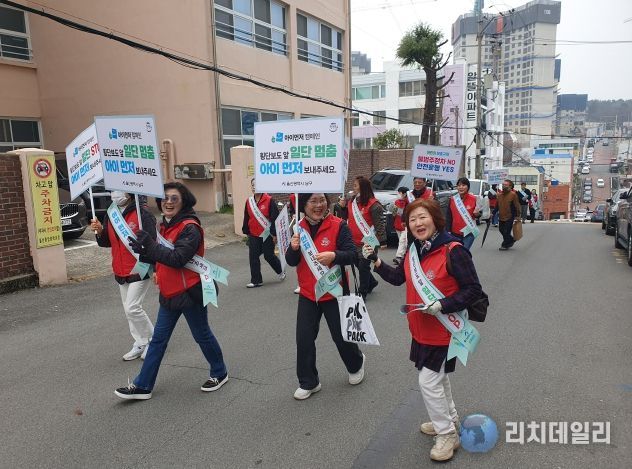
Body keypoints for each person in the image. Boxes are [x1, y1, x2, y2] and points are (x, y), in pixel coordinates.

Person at [362, 198, 482, 462]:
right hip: (420, 330)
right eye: (412, 219)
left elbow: (473, 290)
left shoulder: (454, 250)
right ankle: (449, 419)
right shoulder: (414, 249)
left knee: (428, 382)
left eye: (423, 217)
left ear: (435, 219)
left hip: (445, 331)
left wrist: (442, 304)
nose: (418, 223)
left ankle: (447, 434)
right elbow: (399, 278)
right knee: (439, 378)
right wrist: (376, 261)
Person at [114, 182, 228, 400]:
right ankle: (143, 385)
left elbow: (178, 258)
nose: (168, 202)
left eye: (174, 198)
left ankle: (220, 372)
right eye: (164, 198)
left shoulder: (190, 227)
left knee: (202, 335)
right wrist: (144, 252)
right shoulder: (163, 226)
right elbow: (159, 257)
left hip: (190, 292)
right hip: (169, 292)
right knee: (158, 340)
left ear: (183, 201)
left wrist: (151, 246)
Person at [285, 193, 365, 400]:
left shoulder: (339, 225)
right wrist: (293, 248)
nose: (319, 205)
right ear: (303, 205)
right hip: (308, 294)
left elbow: (353, 254)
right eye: (313, 201)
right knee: (304, 339)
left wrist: (334, 256)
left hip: (334, 291)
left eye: (322, 200)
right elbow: (291, 261)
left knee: (341, 337)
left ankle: (356, 363)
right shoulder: (298, 228)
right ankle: (309, 382)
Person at [90, 191, 156, 361]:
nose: (115, 193)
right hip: (120, 268)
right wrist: (100, 231)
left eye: (118, 189)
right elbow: (106, 242)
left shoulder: (142, 213)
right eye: (112, 190)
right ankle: (140, 342)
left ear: (129, 192)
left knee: (133, 307)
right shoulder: (111, 212)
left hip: (140, 267)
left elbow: (153, 243)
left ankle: (153, 342)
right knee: (128, 310)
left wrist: (156, 268)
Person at [347, 176, 386, 299]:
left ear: (363, 188)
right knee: (358, 264)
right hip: (353, 240)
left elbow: (379, 224)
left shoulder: (374, 205)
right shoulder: (352, 202)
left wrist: (382, 241)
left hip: (369, 240)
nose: (353, 188)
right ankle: (372, 282)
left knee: (364, 267)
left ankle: (362, 292)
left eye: (355, 185)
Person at [242, 179, 285, 288]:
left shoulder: (269, 200)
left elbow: (275, 218)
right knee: (253, 257)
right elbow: (247, 217)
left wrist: (274, 234)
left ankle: (280, 270)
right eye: (252, 185)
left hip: (267, 233)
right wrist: (246, 230)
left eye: (256, 185)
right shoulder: (249, 201)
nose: (254, 187)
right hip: (253, 233)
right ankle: (256, 280)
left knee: (268, 255)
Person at [445, 177, 480, 250]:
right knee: (456, 253)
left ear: (468, 187)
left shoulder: (474, 199)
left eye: (463, 185)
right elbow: (448, 217)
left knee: (463, 251)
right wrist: (448, 231)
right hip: (455, 233)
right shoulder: (452, 199)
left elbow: (479, 215)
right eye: (459, 185)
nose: (461, 187)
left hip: (469, 232)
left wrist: (477, 214)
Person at [496, 179, 522, 250]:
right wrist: (493, 213)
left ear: (510, 186)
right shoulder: (499, 195)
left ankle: (505, 245)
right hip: (501, 216)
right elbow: (497, 205)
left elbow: (517, 206)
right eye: (503, 184)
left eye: (505, 185)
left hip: (510, 216)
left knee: (506, 231)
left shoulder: (513, 195)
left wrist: (518, 215)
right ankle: (511, 240)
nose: (504, 186)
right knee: (501, 230)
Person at [392, 186, 409, 264]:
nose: (398, 194)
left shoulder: (409, 202)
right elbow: (394, 213)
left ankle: (399, 257)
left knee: (403, 241)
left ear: (405, 194)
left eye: (400, 193)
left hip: (405, 225)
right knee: (402, 242)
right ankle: (404, 256)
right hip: (397, 225)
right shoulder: (396, 202)